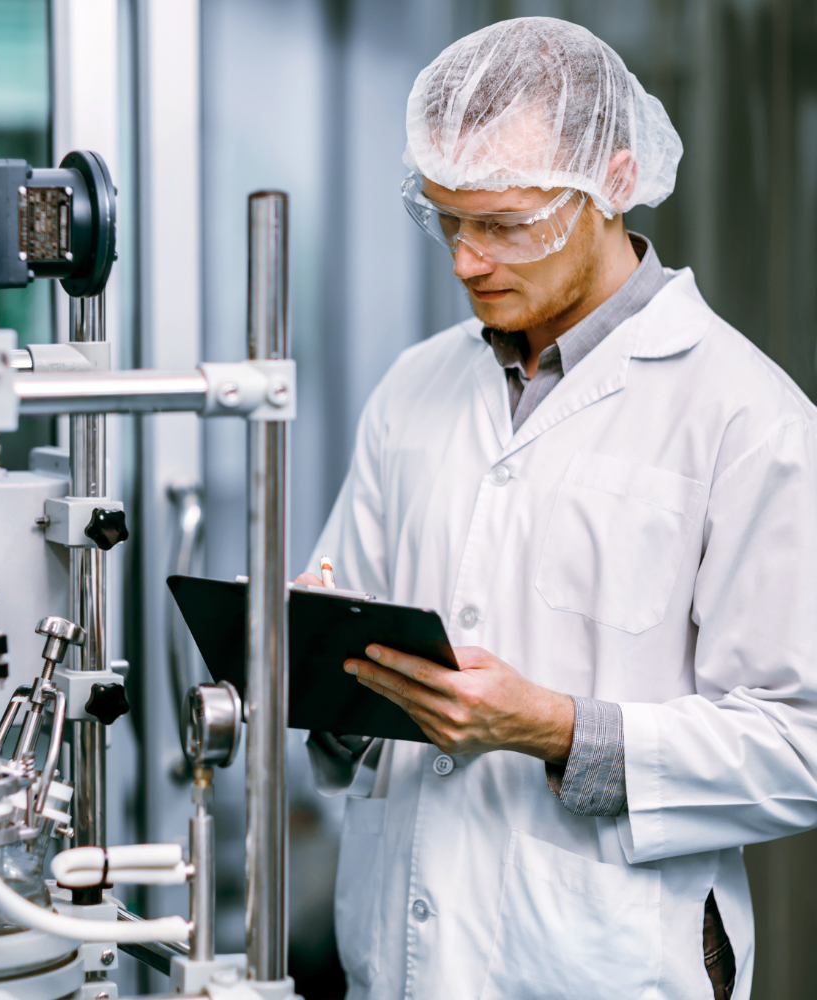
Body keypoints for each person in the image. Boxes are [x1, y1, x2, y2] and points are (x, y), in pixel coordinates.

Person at [299, 17, 817, 1000]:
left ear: (613, 183)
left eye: (504, 226)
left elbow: (800, 748)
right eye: (449, 221)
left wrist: (554, 729)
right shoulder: (413, 386)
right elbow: (353, 658)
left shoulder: (747, 417)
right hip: (405, 955)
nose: (465, 261)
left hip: (604, 961)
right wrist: (318, 664)